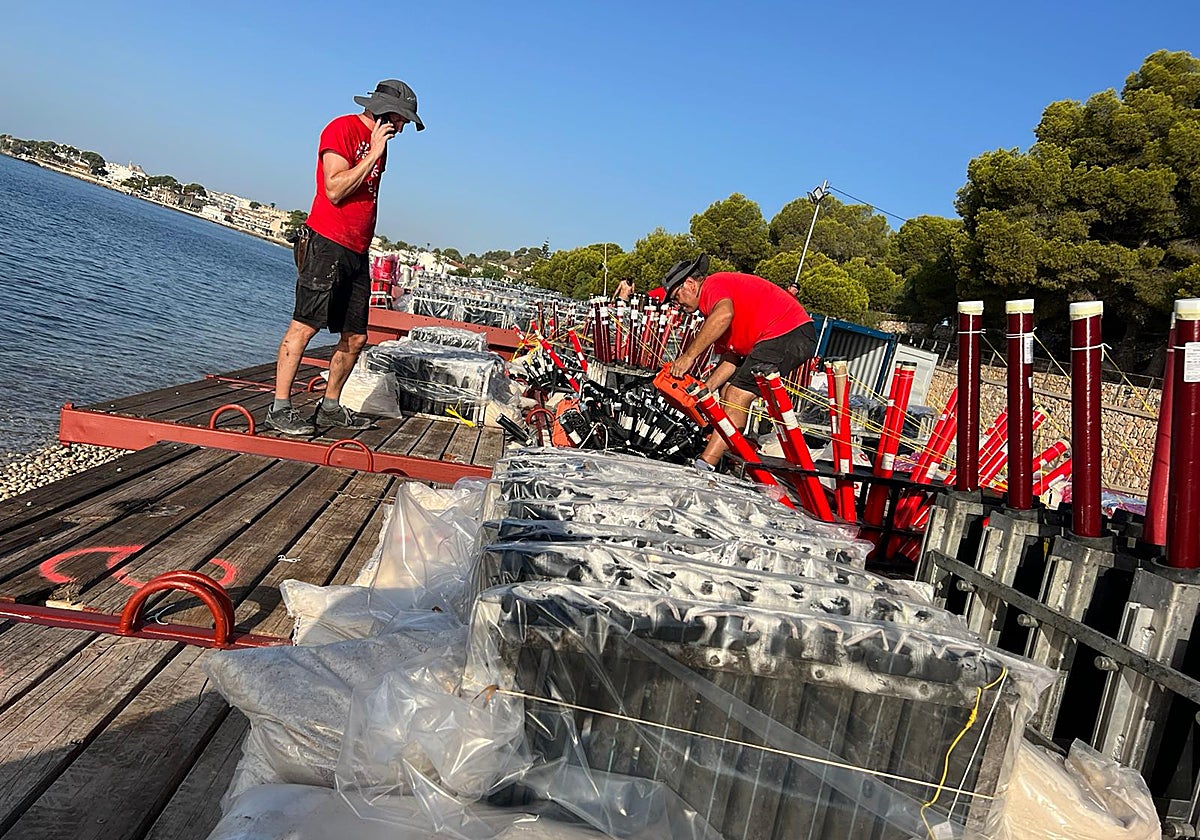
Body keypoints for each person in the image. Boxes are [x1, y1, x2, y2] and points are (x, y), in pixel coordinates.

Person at [265, 80, 425, 435]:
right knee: (304, 326)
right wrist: (371, 153)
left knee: (356, 337)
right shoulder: (342, 129)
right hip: (326, 243)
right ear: (385, 110)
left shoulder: (381, 146)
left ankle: (330, 407)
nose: (402, 127)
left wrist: (376, 151)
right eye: (400, 119)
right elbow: (334, 189)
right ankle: (279, 408)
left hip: (357, 251)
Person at [664, 254, 816, 469]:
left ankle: (706, 463)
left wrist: (688, 357)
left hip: (789, 332)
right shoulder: (713, 309)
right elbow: (731, 358)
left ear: (690, 283)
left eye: (676, 296)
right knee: (726, 391)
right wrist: (705, 389)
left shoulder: (713, 286)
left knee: (737, 394)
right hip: (780, 336)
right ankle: (721, 453)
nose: (677, 303)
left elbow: (724, 316)